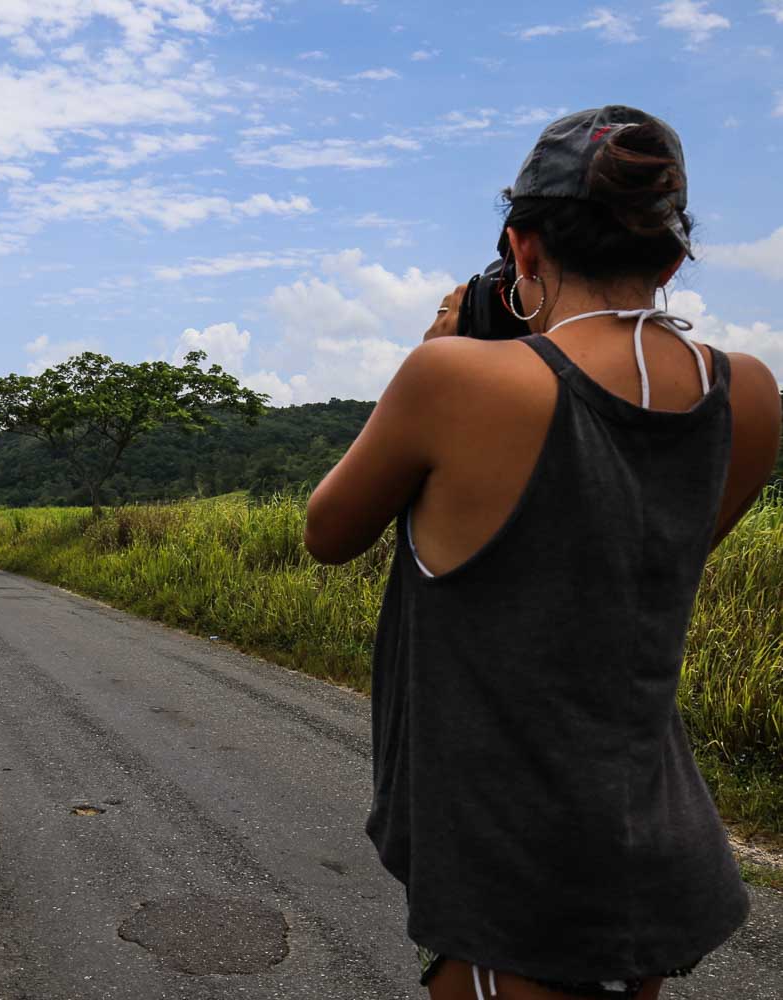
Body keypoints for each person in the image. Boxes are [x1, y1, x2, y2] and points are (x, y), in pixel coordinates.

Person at [303, 106, 781, 1000]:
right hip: (656, 846)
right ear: (673, 259)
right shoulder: (747, 393)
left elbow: (328, 534)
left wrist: (439, 347)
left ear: (522, 249)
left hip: (517, 867)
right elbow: (645, 548)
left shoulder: (450, 379)